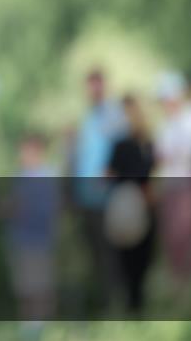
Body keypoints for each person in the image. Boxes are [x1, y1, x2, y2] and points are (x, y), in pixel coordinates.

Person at [71, 68, 127, 310]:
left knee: (110, 251)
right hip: (87, 196)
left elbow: (123, 151)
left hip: (106, 195)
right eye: (89, 85)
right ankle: (106, 302)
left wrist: (109, 176)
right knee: (95, 252)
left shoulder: (113, 114)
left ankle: (118, 303)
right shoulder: (89, 117)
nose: (93, 90)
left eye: (96, 84)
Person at [153, 71, 191, 283]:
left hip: (189, 186)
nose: (167, 103)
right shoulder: (164, 125)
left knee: (189, 236)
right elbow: (161, 156)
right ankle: (179, 287)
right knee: (172, 239)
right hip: (171, 187)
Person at [106, 95, 156, 313]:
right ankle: (133, 303)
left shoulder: (146, 142)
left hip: (143, 202)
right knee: (128, 255)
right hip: (126, 203)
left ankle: (138, 301)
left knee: (141, 255)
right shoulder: (120, 144)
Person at [5, 132, 58, 334]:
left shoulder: (46, 176)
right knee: (24, 288)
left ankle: (42, 328)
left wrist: (12, 208)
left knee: (40, 287)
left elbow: (41, 209)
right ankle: (28, 329)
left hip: (39, 241)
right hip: (20, 240)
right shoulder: (20, 177)